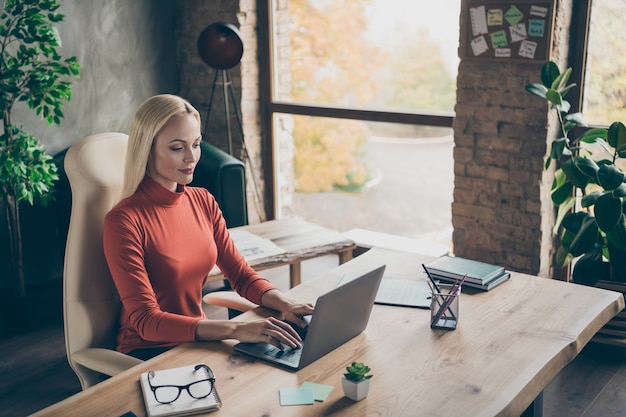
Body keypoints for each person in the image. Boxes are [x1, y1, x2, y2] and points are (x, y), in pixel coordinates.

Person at [103, 94, 314, 360]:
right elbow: (147, 321)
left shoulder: (202, 200)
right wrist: (238, 328)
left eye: (196, 144)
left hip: (197, 340)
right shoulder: (124, 220)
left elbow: (241, 275)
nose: (191, 157)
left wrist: (286, 303)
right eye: (177, 148)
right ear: (147, 149)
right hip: (148, 351)